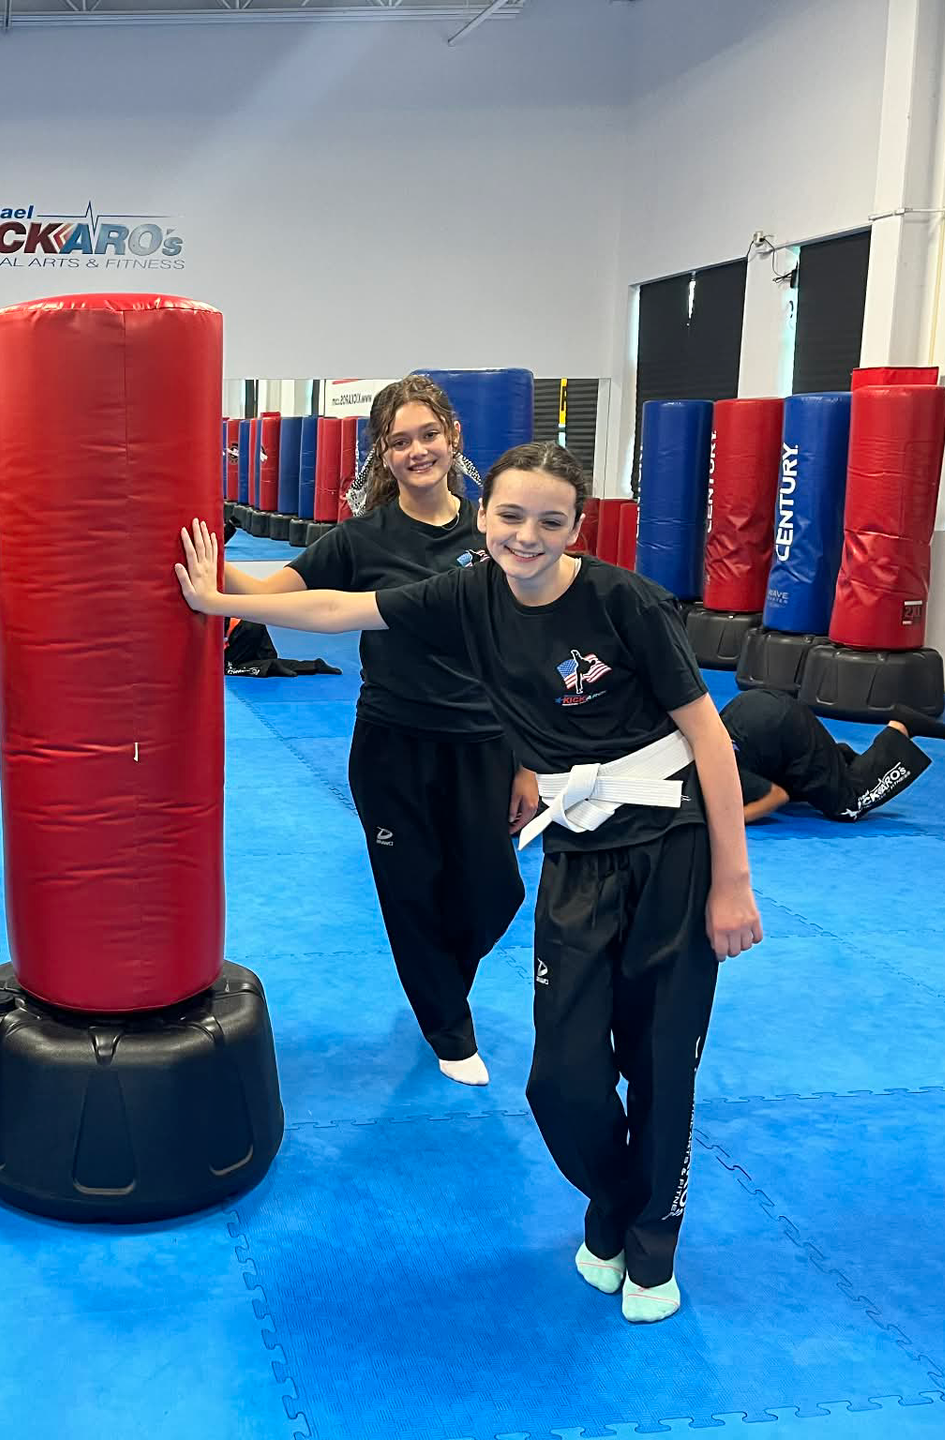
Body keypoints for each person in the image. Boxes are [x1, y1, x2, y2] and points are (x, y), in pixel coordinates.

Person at [174, 440, 762, 1325]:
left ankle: (651, 1239)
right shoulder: (468, 591)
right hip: (578, 847)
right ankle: (617, 1197)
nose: (528, 536)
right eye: (512, 517)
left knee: (658, 1060)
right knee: (560, 1078)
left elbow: (710, 743)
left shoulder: (626, 603)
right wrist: (218, 602)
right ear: (483, 518)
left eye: (550, 521)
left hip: (672, 847)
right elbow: (344, 607)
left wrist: (732, 884)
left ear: (577, 528)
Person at [224, 379, 537, 1087]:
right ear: (383, 455)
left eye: (428, 434)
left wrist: (530, 760)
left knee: (496, 892)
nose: (417, 451)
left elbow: (521, 649)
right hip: (395, 743)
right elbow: (280, 592)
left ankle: (441, 989)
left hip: (487, 743)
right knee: (412, 892)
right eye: (400, 441)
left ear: (453, 435)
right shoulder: (363, 539)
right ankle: (448, 1029)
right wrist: (204, 569)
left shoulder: (494, 529)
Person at [724, 689, 945, 823]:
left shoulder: (724, 773)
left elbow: (775, 797)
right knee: (798, 789)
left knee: (847, 805)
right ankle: (837, 758)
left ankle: (900, 728)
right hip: (754, 709)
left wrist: (730, 823)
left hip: (784, 728)